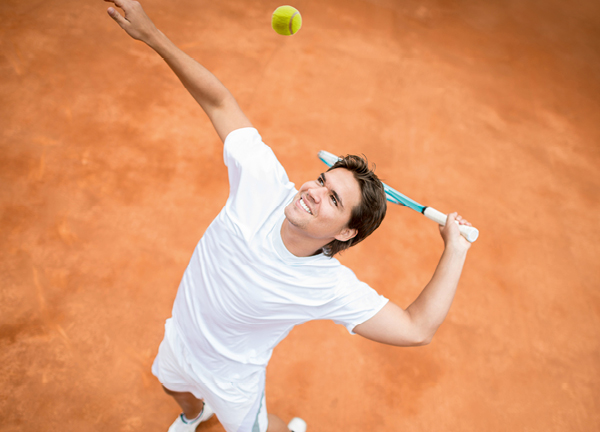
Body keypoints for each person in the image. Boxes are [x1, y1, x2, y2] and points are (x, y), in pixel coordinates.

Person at [104, 1, 473, 431]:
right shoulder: (263, 182)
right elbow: (220, 102)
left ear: (347, 231)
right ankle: (194, 414)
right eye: (321, 180)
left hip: (234, 379)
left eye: (334, 200)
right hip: (181, 337)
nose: (313, 192)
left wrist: (456, 249)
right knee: (170, 385)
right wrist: (152, 35)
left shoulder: (327, 286)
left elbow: (416, 328)